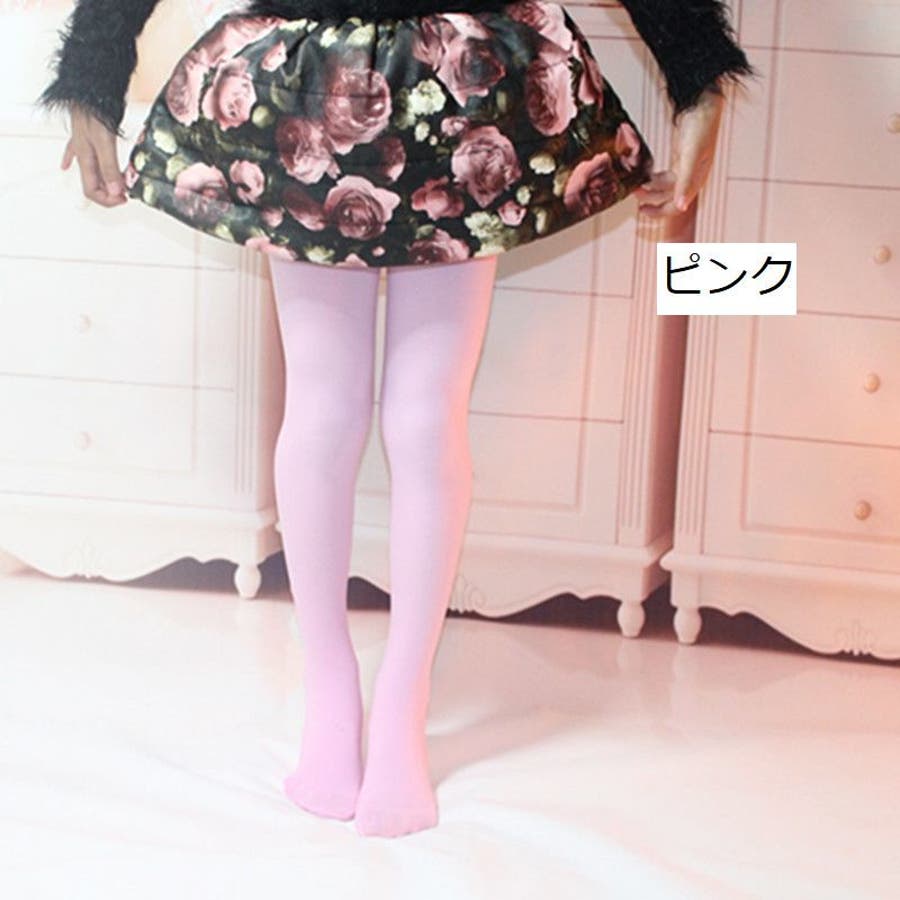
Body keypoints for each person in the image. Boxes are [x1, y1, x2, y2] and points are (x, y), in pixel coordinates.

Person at [35, 0, 758, 838]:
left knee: (423, 419)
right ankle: (331, 693)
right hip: (306, 77)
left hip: (460, 78)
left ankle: (403, 702)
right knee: (324, 406)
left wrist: (696, 66)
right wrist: (91, 75)